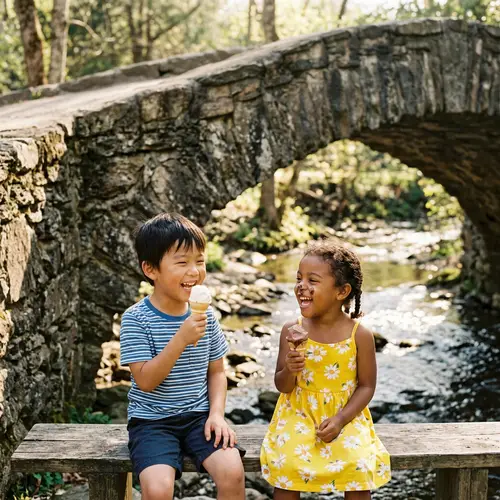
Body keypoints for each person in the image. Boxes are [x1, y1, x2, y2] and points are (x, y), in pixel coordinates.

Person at [120, 213, 245, 500]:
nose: (195, 271)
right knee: (157, 489)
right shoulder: (136, 319)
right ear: (151, 269)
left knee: (232, 472)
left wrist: (216, 415)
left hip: (199, 418)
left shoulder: (207, 316)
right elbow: (146, 381)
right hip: (152, 422)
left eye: (199, 261)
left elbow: (216, 372)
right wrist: (180, 339)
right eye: (182, 262)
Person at [260, 240, 391, 499]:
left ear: (342, 291)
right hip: (298, 414)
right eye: (299, 278)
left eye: (313, 280)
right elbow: (283, 386)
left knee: (357, 463)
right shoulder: (291, 330)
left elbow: (366, 386)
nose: (301, 286)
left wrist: (341, 419)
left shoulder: (359, 335)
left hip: (346, 416)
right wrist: (290, 369)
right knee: (287, 462)